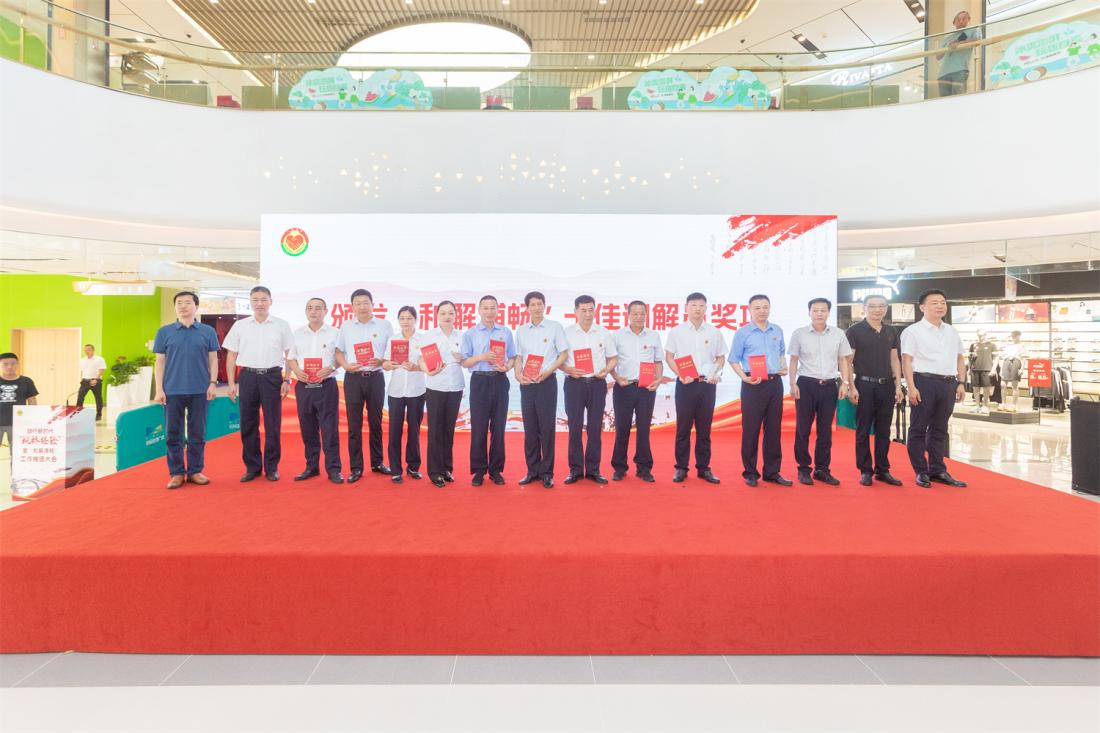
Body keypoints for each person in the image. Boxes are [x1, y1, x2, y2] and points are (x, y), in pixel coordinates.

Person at [224, 286, 294, 482]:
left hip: (272, 377)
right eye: (255, 300)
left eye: (264, 299)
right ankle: (252, 467)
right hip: (247, 377)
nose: (260, 303)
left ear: (271, 301)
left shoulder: (281, 325)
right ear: (250, 302)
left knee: (273, 424)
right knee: (248, 423)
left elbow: (289, 354)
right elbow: (231, 355)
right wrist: (231, 383)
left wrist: (287, 379)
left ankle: (272, 467)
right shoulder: (240, 325)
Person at [901, 289, 968, 488]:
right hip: (924, 382)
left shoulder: (951, 331)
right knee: (918, 428)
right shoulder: (913, 331)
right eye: (934, 303)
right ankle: (921, 471)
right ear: (922, 307)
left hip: (948, 383)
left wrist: (961, 382)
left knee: (940, 428)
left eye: (942, 302)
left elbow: (960, 358)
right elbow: (906, 361)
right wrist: (911, 387)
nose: (940, 306)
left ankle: (938, 470)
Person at [152, 292, 219, 489]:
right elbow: (159, 362)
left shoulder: (207, 331)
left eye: (188, 303)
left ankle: (195, 471)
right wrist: (159, 389)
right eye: (179, 303)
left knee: (197, 432)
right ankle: (177, 473)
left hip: (200, 389)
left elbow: (213, 359)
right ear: (175, 307)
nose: (183, 306)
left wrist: (213, 383)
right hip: (172, 390)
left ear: (196, 306)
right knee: (173, 434)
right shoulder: (164, 332)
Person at [788, 298, 853, 486]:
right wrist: (792, 383)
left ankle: (822, 469)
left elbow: (843, 360)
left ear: (828, 313)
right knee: (803, 429)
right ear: (809, 312)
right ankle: (803, 469)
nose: (819, 314)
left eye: (823, 310)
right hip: (806, 385)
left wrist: (845, 383)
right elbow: (793, 360)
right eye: (815, 310)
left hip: (829, 386)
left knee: (825, 430)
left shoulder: (838, 334)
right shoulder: (799, 334)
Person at [728, 294, 790, 487]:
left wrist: (783, 366)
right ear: (749, 310)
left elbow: (781, 353)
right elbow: (733, 359)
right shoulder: (743, 333)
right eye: (757, 308)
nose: (762, 311)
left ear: (769, 308)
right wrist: (743, 377)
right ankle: (750, 472)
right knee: (751, 429)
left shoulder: (777, 330)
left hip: (774, 383)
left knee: (773, 429)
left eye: (765, 307)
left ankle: (772, 472)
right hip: (752, 384)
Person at [665, 292, 726, 484]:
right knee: (683, 428)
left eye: (701, 305)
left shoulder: (714, 332)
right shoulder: (677, 331)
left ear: (706, 308)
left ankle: (703, 468)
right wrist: (680, 374)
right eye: (693, 305)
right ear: (686, 308)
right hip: (685, 385)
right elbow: (669, 356)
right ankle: (681, 468)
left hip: (707, 385)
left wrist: (715, 373)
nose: (697, 309)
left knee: (704, 429)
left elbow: (721, 357)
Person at [334, 288, 394, 482]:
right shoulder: (346, 326)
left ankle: (377, 462)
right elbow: (338, 351)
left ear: (372, 304)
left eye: (365, 302)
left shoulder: (385, 325)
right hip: (353, 378)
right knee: (354, 424)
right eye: (358, 303)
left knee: (376, 422)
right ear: (352, 307)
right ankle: (356, 467)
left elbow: (392, 353)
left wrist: (382, 360)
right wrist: (345, 366)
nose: (362, 306)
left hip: (376, 377)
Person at [845, 294, 904, 486]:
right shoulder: (854, 331)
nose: (877, 309)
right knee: (863, 430)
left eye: (881, 306)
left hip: (887, 386)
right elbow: (848, 361)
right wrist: (851, 386)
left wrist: (898, 385)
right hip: (864, 385)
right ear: (864, 308)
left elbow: (894, 359)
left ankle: (882, 470)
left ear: (886, 308)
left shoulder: (891, 331)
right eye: (872, 306)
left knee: (884, 430)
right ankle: (865, 470)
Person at [514, 291, 568, 489]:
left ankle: (547, 473)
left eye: (539, 304)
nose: (536, 308)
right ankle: (532, 470)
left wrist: (548, 371)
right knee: (530, 429)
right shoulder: (521, 330)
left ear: (545, 306)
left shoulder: (555, 327)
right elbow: (519, 357)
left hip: (546, 382)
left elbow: (563, 354)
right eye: (533, 304)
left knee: (546, 429)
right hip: (527, 384)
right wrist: (517, 374)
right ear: (527, 308)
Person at [286, 297, 343, 484]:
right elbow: (291, 358)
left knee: (330, 429)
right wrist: (296, 371)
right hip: (304, 387)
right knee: (308, 429)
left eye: (318, 308)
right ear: (305, 311)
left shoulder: (335, 333)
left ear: (325, 311)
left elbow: (341, 358)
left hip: (326, 386)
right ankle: (311, 467)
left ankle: (333, 469)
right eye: (309, 308)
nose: (313, 311)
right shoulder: (297, 333)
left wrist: (331, 367)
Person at [562, 295, 618, 485]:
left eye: (590, 310)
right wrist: (568, 369)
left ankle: (593, 470)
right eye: (583, 310)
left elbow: (613, 358)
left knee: (595, 428)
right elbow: (558, 360)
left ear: (595, 310)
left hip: (597, 384)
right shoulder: (566, 333)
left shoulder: (603, 333)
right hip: (574, 384)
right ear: (575, 311)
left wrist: (607, 370)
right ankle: (575, 470)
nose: (587, 314)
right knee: (574, 427)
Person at [460, 295, 516, 486]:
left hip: (500, 380)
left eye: (493, 308)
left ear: (498, 310)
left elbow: (513, 357)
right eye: (485, 308)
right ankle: (478, 471)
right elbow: (464, 361)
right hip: (480, 382)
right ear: (479, 310)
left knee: (498, 428)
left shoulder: (505, 332)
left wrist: (507, 367)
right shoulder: (470, 333)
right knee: (479, 428)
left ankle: (496, 470)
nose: (489, 312)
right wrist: (481, 357)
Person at [610, 300, 663, 482]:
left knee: (644, 429)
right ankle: (619, 467)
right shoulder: (618, 336)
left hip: (646, 389)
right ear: (628, 315)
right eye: (635, 313)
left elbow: (658, 361)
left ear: (646, 315)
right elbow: (610, 361)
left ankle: (644, 468)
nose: (639, 317)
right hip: (624, 387)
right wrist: (616, 377)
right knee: (622, 428)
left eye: (642, 313)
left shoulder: (653, 335)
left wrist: (658, 380)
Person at [421, 300, 465, 488]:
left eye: (451, 313)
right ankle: (435, 472)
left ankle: (447, 468)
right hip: (435, 386)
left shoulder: (461, 336)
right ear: (437, 315)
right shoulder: (429, 336)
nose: (447, 316)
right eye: (443, 313)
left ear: (456, 315)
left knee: (448, 430)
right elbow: (421, 359)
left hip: (455, 387)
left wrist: (463, 358)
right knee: (435, 430)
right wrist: (427, 370)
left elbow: (467, 360)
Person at [383, 306, 426, 485]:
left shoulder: (423, 339)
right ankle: (395, 470)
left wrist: (416, 367)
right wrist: (390, 365)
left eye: (409, 318)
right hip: (396, 391)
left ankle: (413, 467)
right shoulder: (393, 339)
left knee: (414, 431)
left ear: (415, 320)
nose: (406, 321)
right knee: (395, 431)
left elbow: (428, 364)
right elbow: (385, 364)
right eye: (402, 318)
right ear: (398, 320)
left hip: (417, 390)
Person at [0, 352, 38, 454]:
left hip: (18, 422)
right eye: (5, 364)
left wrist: (33, 418)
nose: (9, 367)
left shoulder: (26, 381)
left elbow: (32, 400)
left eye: (13, 364)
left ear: (17, 364)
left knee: (17, 452)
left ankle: (15, 466)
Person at [936, 11, 979, 97]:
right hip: (943, 73)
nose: (961, 21)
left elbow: (977, 41)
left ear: (968, 20)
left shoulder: (973, 30)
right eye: (958, 19)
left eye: (964, 19)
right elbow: (938, 56)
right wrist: (949, 47)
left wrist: (960, 43)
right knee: (944, 101)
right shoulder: (947, 37)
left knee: (958, 98)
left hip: (960, 70)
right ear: (954, 22)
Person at [77, 344, 106, 421]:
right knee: (80, 397)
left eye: (88, 349)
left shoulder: (99, 359)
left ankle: (98, 414)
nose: (86, 351)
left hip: (96, 381)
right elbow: (82, 371)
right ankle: (78, 414)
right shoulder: (82, 360)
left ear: (93, 350)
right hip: (85, 381)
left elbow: (102, 369)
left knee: (98, 398)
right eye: (85, 350)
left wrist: (96, 379)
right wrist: (82, 379)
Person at [969, 330, 996, 414]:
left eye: (982, 335)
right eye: (979, 335)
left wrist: (993, 369)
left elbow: (996, 358)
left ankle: (985, 406)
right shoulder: (973, 345)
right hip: (975, 369)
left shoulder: (991, 345)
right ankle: (977, 406)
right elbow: (969, 358)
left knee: (986, 388)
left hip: (986, 369)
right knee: (975, 388)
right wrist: (969, 369)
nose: (980, 337)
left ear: (985, 335)